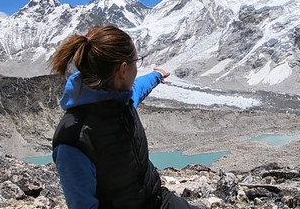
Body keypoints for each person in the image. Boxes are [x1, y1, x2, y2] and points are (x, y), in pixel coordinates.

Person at [50, 25, 197, 209]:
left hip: (156, 199)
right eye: (137, 61)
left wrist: (157, 75)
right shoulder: (73, 143)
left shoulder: (120, 100)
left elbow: (139, 88)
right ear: (123, 70)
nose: (137, 70)